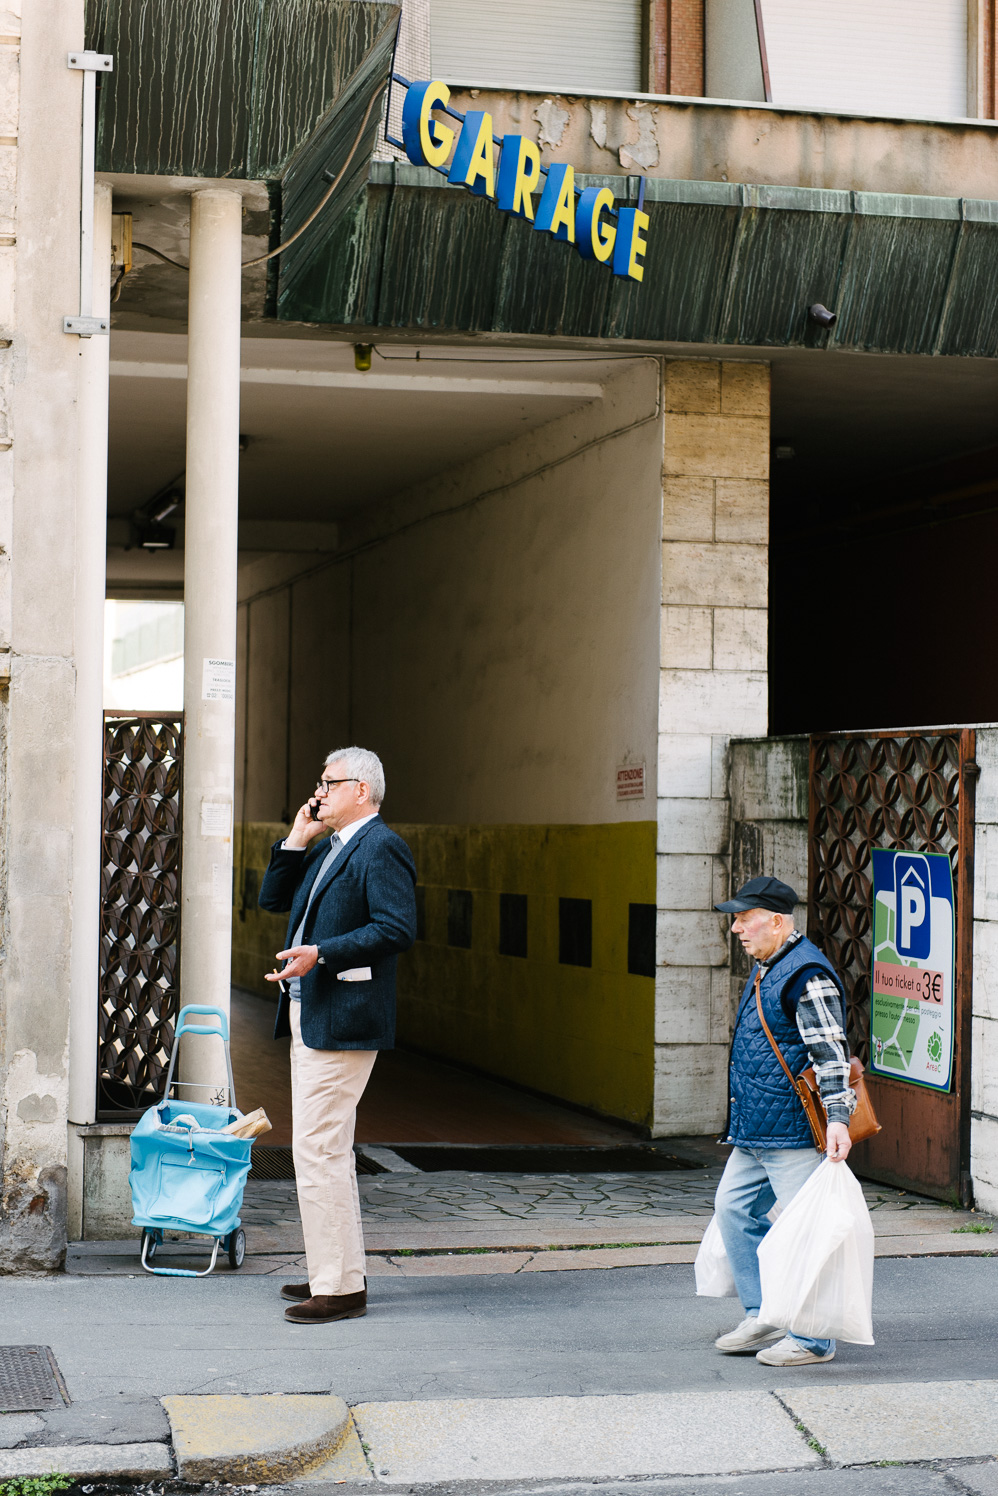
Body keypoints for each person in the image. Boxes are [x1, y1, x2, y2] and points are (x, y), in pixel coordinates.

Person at [259, 746, 416, 1325]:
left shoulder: (381, 846)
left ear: (362, 790)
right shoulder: (330, 848)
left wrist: (322, 953)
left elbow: (396, 928)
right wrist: (296, 839)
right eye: (319, 782)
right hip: (311, 1013)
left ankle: (341, 1287)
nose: (319, 792)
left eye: (330, 783)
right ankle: (336, 1269)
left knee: (317, 1148)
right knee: (326, 1147)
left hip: (344, 1017)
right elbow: (272, 900)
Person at [711, 875, 855, 1367]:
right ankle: (766, 1314)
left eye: (744, 919)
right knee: (733, 1210)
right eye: (735, 920)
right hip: (756, 1129)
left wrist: (838, 1119)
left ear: (776, 921)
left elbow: (831, 1054)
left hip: (791, 1132)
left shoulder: (805, 975)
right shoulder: (768, 966)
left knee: (804, 1232)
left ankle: (813, 1338)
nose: (736, 929)